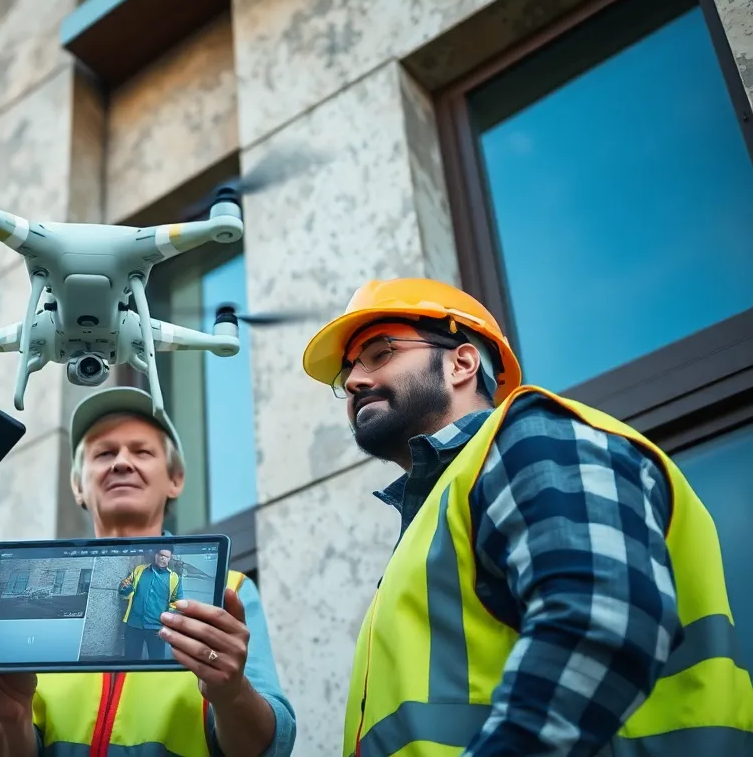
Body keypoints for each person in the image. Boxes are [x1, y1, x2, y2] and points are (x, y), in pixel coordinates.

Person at [300, 277, 753, 756]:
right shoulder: (433, 522)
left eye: (379, 352)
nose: (353, 381)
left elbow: (601, 617)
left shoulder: (529, 436)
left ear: (461, 363)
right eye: (348, 371)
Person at [0, 387, 297, 756]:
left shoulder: (230, 589)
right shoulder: (24, 608)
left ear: (175, 479)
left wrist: (232, 693)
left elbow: (271, 744)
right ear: (77, 486)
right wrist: (13, 720)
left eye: (142, 451)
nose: (121, 462)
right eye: (103, 453)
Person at [118, 548, 183, 660]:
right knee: (130, 661)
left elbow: (177, 602)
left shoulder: (174, 578)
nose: (163, 558)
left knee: (157, 663)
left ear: (169, 559)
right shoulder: (139, 570)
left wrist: (168, 624)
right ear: (155, 555)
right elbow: (125, 592)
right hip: (134, 624)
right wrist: (124, 587)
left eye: (166, 556)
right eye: (161, 554)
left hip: (157, 628)